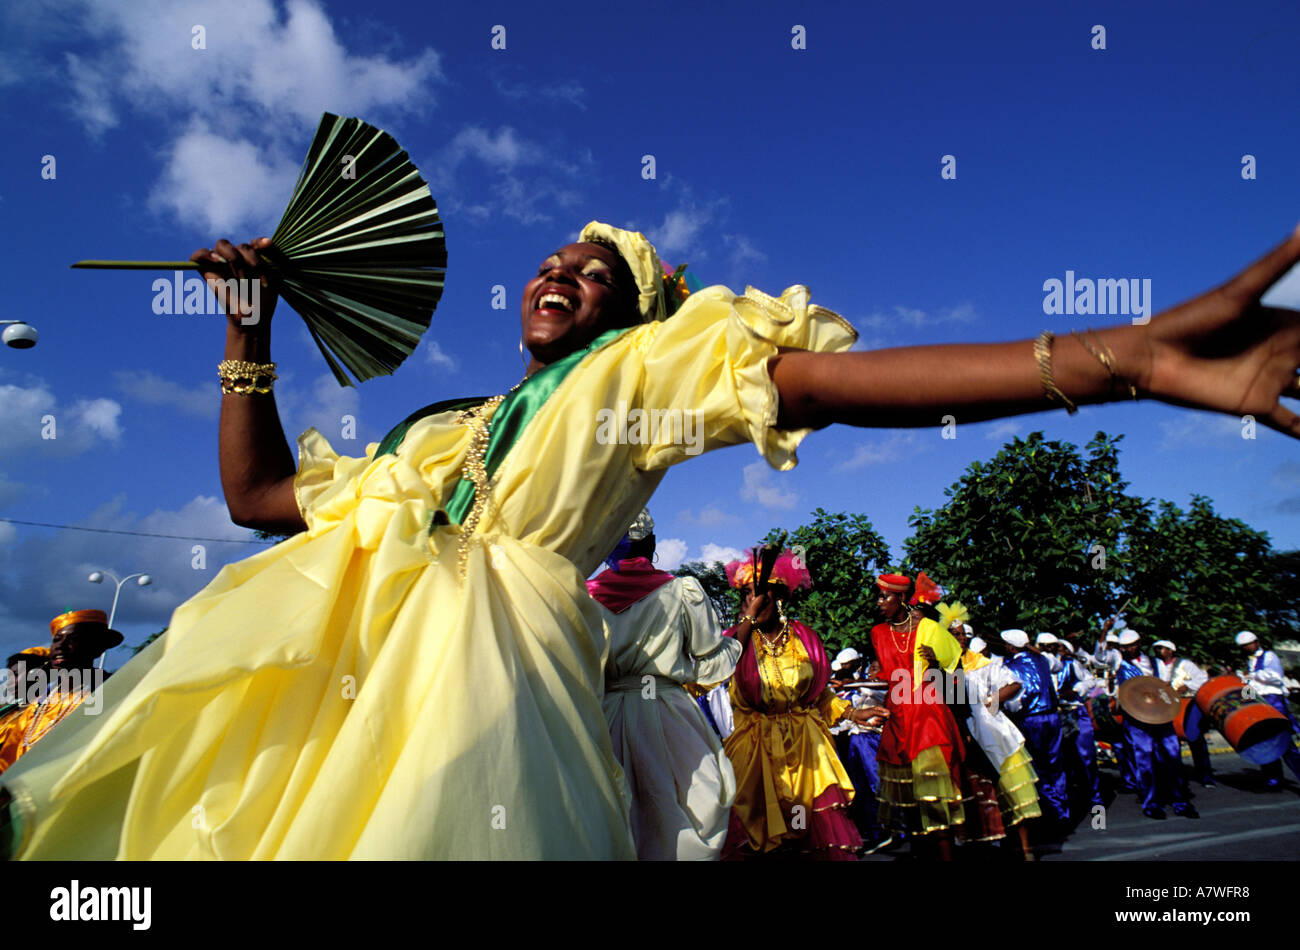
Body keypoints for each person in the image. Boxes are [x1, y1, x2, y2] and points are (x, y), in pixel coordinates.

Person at [4, 216, 1300, 860]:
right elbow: (255, 501)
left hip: (486, 724)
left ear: (634, 313)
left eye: (597, 270)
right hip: (328, 721)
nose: (559, 271)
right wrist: (245, 329)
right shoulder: (439, 438)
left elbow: (835, 387)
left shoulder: (627, 385)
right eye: (551, 258)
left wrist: (1112, 357)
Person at [586, 509, 741, 860]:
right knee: (687, 804)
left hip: (605, 713)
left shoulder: (586, 597)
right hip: (667, 710)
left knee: (615, 809)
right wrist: (742, 629)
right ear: (652, 544)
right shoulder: (681, 590)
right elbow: (708, 662)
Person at [720, 551, 874, 860]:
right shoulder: (736, 641)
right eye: (747, 596)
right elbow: (713, 669)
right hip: (755, 753)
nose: (753, 602)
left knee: (808, 831)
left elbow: (820, 694)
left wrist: (854, 712)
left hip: (806, 748)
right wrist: (748, 621)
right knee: (760, 837)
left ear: (777, 598)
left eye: (759, 594)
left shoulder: (805, 638)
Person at [871, 573, 967, 860]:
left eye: (884, 596)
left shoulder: (930, 629)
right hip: (898, 718)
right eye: (878, 596)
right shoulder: (878, 633)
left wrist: (935, 664)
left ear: (900, 598)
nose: (879, 603)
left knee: (935, 799)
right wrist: (849, 685)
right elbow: (887, 679)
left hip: (927, 718)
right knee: (909, 803)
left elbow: (955, 679)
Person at [0, 613, 118, 775]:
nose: (60, 646)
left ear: (97, 647)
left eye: (73, 638)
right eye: (57, 640)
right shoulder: (38, 705)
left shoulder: (110, 691)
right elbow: (8, 760)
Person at [958, 633, 1040, 859]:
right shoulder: (941, 668)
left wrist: (989, 703)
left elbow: (1014, 684)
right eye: (953, 635)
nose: (959, 639)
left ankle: (1026, 850)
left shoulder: (983, 664)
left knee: (1012, 790)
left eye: (961, 634)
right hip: (963, 734)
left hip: (992, 731)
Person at [1115, 630, 1198, 819]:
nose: (1129, 649)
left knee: (1172, 755)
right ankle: (1151, 803)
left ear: (1140, 643)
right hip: (1136, 717)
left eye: (1133, 645)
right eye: (1125, 647)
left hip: (1159, 714)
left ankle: (1181, 802)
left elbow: (1165, 686)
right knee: (1144, 759)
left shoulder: (1156, 663)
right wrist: (1104, 633)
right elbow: (1100, 657)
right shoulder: (1118, 662)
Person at [1001, 630, 1070, 830]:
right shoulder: (1044, 660)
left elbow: (1019, 700)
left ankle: (1052, 811)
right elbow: (1057, 665)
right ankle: (1063, 810)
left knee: (1038, 766)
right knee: (1055, 764)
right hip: (1053, 716)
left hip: (1031, 720)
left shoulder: (1011, 667)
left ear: (1012, 647)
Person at [830, 648, 888, 847]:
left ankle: (892, 829)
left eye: (876, 668)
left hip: (872, 739)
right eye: (871, 668)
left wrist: (854, 684)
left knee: (878, 784)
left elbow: (873, 692)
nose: (872, 672)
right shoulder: (849, 688)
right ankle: (873, 831)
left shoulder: (877, 687)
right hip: (855, 740)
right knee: (860, 787)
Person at [1235, 631, 1300, 787]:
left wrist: (1253, 675)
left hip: (1272, 700)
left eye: (1249, 645)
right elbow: (1247, 686)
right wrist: (1246, 700)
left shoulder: (1269, 656)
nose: (1247, 648)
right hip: (1256, 703)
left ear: (1256, 642)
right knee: (1263, 741)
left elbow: (1276, 677)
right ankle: (1273, 777)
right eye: (1244, 646)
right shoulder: (1246, 662)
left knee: (1283, 741)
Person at [1152, 639, 1213, 787]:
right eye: (1157, 649)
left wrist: (1187, 686)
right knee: (1170, 742)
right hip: (1167, 707)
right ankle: (1177, 778)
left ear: (1170, 651)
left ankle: (1206, 776)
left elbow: (1202, 679)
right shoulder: (1155, 666)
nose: (1159, 651)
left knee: (1195, 739)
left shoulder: (1184, 664)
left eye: (1162, 649)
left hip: (1187, 705)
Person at [1054, 640, 1106, 809]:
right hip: (1054, 714)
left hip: (1075, 712)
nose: (1055, 650)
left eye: (1059, 646)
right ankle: (1065, 801)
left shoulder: (1072, 664)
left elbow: (1091, 681)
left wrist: (1075, 691)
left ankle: (1095, 798)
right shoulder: (1042, 665)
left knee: (1086, 756)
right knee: (1060, 759)